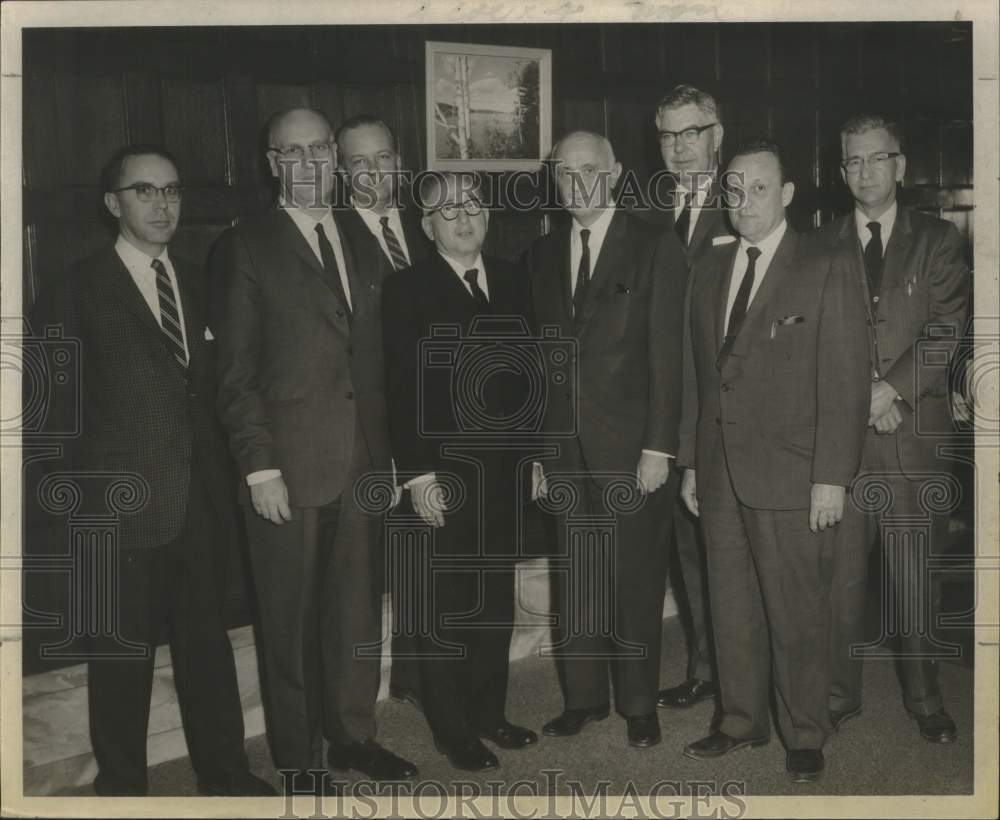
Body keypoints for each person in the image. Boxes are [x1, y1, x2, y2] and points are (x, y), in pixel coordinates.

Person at [28, 144, 274, 797]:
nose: (163, 204)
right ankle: (121, 788)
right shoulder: (74, 288)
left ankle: (225, 774)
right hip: (117, 511)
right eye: (145, 191)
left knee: (207, 650)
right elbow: (51, 412)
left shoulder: (198, 281)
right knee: (121, 660)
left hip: (199, 502)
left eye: (170, 191)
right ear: (114, 204)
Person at [211, 108, 415, 793]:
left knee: (357, 613)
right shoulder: (246, 245)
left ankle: (355, 735)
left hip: (362, 463)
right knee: (290, 620)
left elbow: (377, 364)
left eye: (318, 150)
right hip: (286, 468)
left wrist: (388, 461)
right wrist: (259, 465)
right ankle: (300, 759)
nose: (308, 164)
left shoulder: (363, 239)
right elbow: (234, 373)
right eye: (290, 153)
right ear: (272, 164)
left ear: (334, 155)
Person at [678, 139, 870, 782]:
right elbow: (698, 378)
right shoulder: (709, 266)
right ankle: (739, 721)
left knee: (795, 609)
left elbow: (844, 379)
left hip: (793, 470)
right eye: (733, 189)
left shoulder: (825, 260)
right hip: (719, 467)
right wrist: (690, 464)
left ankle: (805, 731)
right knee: (729, 602)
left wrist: (830, 477)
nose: (745, 201)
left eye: (759, 188)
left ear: (787, 194)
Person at [524, 131, 688, 749]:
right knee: (578, 579)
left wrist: (659, 448)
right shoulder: (540, 255)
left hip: (632, 451)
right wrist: (542, 454)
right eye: (564, 173)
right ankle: (585, 699)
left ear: (615, 172)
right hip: (563, 452)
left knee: (636, 578)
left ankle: (639, 705)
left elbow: (668, 360)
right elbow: (541, 364)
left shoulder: (655, 245)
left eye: (588, 169)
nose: (577, 182)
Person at [816, 114, 969, 743]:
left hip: (913, 432)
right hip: (843, 444)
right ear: (842, 170)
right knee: (839, 577)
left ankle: (926, 698)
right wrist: (859, 397)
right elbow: (814, 340)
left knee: (914, 575)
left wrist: (889, 390)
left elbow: (944, 331)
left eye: (876, 159)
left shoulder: (937, 239)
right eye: (853, 162)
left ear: (900, 166)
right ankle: (836, 695)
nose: (864, 172)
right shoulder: (820, 242)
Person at [381, 171, 539, 772]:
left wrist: (533, 459)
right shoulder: (406, 290)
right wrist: (417, 474)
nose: (463, 218)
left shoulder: (512, 278)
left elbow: (531, 376)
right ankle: (453, 730)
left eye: (472, 206)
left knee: (494, 599)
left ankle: (489, 713)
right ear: (426, 227)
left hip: (503, 471)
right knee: (446, 604)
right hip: (443, 473)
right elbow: (400, 389)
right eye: (447, 212)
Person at [335, 114, 432, 711]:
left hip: (430, 423)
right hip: (363, 429)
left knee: (426, 553)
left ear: (400, 160)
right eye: (359, 163)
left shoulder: (427, 227)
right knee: (362, 575)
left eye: (384, 157)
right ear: (343, 173)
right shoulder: (334, 236)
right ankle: (355, 709)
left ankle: (420, 679)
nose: (375, 172)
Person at [651, 84, 734, 711]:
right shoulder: (649, 216)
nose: (680, 149)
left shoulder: (743, 208)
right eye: (669, 136)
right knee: (690, 555)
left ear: (717, 135)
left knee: (736, 556)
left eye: (691, 133)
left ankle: (745, 677)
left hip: (730, 416)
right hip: (670, 418)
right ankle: (706, 667)